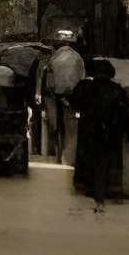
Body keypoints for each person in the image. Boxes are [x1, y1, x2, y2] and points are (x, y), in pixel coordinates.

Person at [71, 57, 129, 205]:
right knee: (108, 158)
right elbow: (124, 110)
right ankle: (109, 186)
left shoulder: (85, 86)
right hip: (111, 130)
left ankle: (88, 184)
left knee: (90, 156)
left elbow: (75, 104)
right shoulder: (117, 89)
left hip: (89, 130)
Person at [38, 32, 87, 161]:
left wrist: (44, 97)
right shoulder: (78, 58)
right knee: (70, 125)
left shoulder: (52, 58)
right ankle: (68, 152)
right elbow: (82, 79)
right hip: (72, 97)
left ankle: (54, 150)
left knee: (53, 123)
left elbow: (48, 82)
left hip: (54, 96)